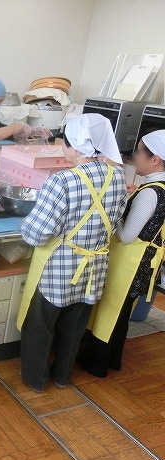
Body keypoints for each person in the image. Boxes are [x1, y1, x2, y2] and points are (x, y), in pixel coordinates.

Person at [16, 113, 127, 393]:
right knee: (75, 327)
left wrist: (25, 222)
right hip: (95, 269)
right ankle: (63, 377)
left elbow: (36, 234)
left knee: (40, 327)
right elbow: (116, 224)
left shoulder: (62, 181)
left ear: (73, 146)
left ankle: (37, 380)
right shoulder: (118, 175)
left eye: (64, 143)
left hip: (60, 269)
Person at [78, 130, 165, 378]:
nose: (134, 156)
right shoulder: (158, 187)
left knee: (111, 311)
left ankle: (96, 364)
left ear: (155, 159)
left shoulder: (150, 193)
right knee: (122, 313)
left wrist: (114, 207)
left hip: (131, 263)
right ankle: (112, 359)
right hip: (147, 264)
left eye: (139, 152)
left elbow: (127, 235)